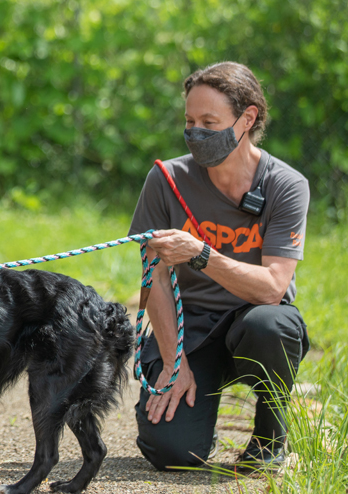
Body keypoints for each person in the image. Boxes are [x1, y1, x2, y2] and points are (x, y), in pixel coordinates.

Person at [129, 61, 309, 470]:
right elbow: (153, 278)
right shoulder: (165, 179)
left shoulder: (286, 185)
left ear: (247, 118)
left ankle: (269, 437)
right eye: (190, 121)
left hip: (251, 325)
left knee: (272, 324)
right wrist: (175, 361)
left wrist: (201, 254)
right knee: (172, 454)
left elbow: (272, 289)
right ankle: (197, 415)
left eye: (210, 122)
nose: (195, 132)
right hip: (187, 325)